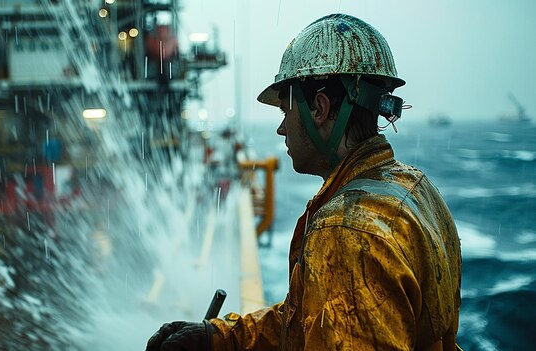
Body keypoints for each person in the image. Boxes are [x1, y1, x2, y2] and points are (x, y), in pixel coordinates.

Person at [146, 13, 462, 351]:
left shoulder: (345, 232)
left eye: (285, 111)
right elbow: (314, 319)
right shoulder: (417, 188)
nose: (281, 129)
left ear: (320, 109)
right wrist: (219, 338)